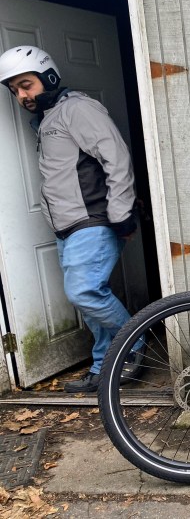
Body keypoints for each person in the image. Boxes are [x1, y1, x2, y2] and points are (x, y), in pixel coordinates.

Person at [0, 46, 144, 393]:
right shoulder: (48, 119)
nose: (22, 95)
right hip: (67, 228)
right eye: (15, 90)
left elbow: (116, 158)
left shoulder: (77, 109)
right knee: (90, 303)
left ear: (48, 77)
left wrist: (122, 215)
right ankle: (101, 367)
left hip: (93, 220)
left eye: (26, 85)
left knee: (85, 292)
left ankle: (134, 349)